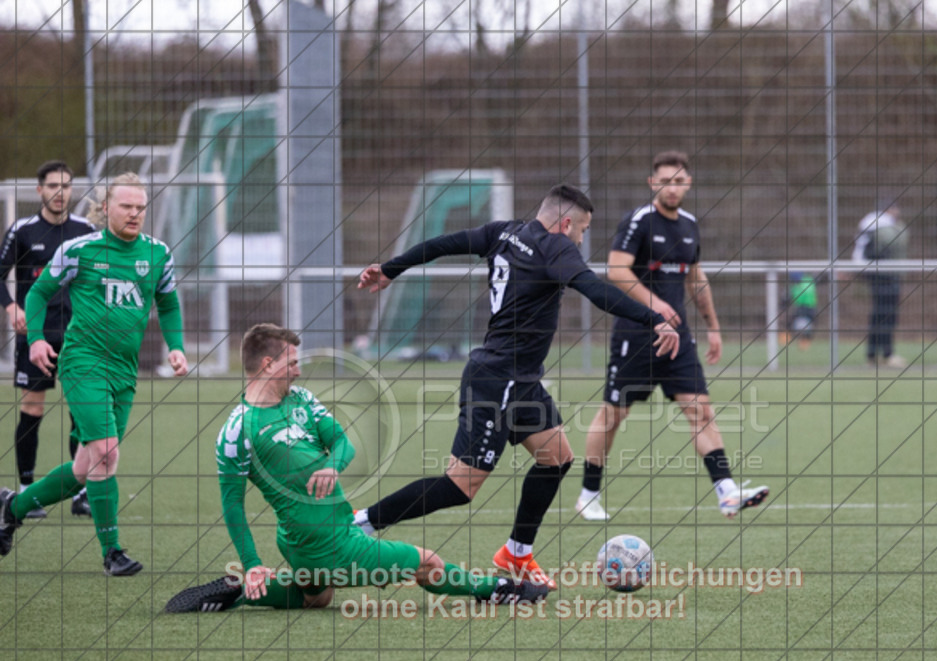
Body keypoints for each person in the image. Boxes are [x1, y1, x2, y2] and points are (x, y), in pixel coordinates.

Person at [352, 184, 680, 589]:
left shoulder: (503, 232)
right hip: (498, 380)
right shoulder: (556, 247)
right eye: (582, 229)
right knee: (460, 486)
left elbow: (443, 243)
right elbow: (596, 291)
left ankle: (516, 553)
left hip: (520, 380)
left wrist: (392, 268)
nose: (581, 238)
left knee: (556, 458)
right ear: (564, 224)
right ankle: (361, 522)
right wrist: (655, 319)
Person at [164, 324, 548, 613]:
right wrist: (252, 564)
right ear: (267, 364)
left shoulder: (300, 398)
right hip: (327, 544)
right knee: (426, 562)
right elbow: (232, 505)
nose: (298, 371)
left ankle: (244, 591)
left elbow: (343, 443)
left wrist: (332, 466)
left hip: (317, 537)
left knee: (318, 597)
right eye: (292, 363)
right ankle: (496, 590)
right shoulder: (236, 431)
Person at [0, 172, 188, 576]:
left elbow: (169, 304)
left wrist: (176, 347)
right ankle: (112, 552)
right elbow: (38, 293)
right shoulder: (79, 249)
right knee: (107, 451)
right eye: (127, 206)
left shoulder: (157, 254)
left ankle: (11, 507)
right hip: (83, 361)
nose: (135, 214)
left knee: (87, 468)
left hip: (124, 370)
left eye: (141, 207)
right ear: (106, 208)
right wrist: (35, 340)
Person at [573, 150, 769, 522]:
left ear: (688, 184)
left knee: (701, 411)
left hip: (678, 340)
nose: (672, 188)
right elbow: (616, 271)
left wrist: (712, 326)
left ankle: (726, 491)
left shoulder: (690, 225)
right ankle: (588, 494)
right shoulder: (638, 222)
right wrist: (655, 306)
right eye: (664, 181)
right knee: (613, 416)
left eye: (678, 181)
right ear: (652, 183)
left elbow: (695, 278)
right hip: (637, 337)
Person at [0, 160, 95, 519]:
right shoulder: (23, 230)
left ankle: (80, 492)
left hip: (78, 336)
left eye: (66, 186)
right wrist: (11, 308)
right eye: (53, 185)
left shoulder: (85, 230)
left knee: (81, 414)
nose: (60, 192)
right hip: (36, 337)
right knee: (32, 410)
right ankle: (26, 488)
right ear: (39, 190)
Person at [852, 197, 909, 368]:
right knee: (885, 315)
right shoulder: (884, 228)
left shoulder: (874, 224)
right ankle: (885, 354)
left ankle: (875, 354)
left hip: (881, 274)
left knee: (880, 314)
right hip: (884, 276)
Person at [784, 271, 818, 351]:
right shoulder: (806, 281)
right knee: (793, 321)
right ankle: (791, 338)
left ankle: (804, 341)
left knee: (805, 323)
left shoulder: (804, 283)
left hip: (808, 307)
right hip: (805, 307)